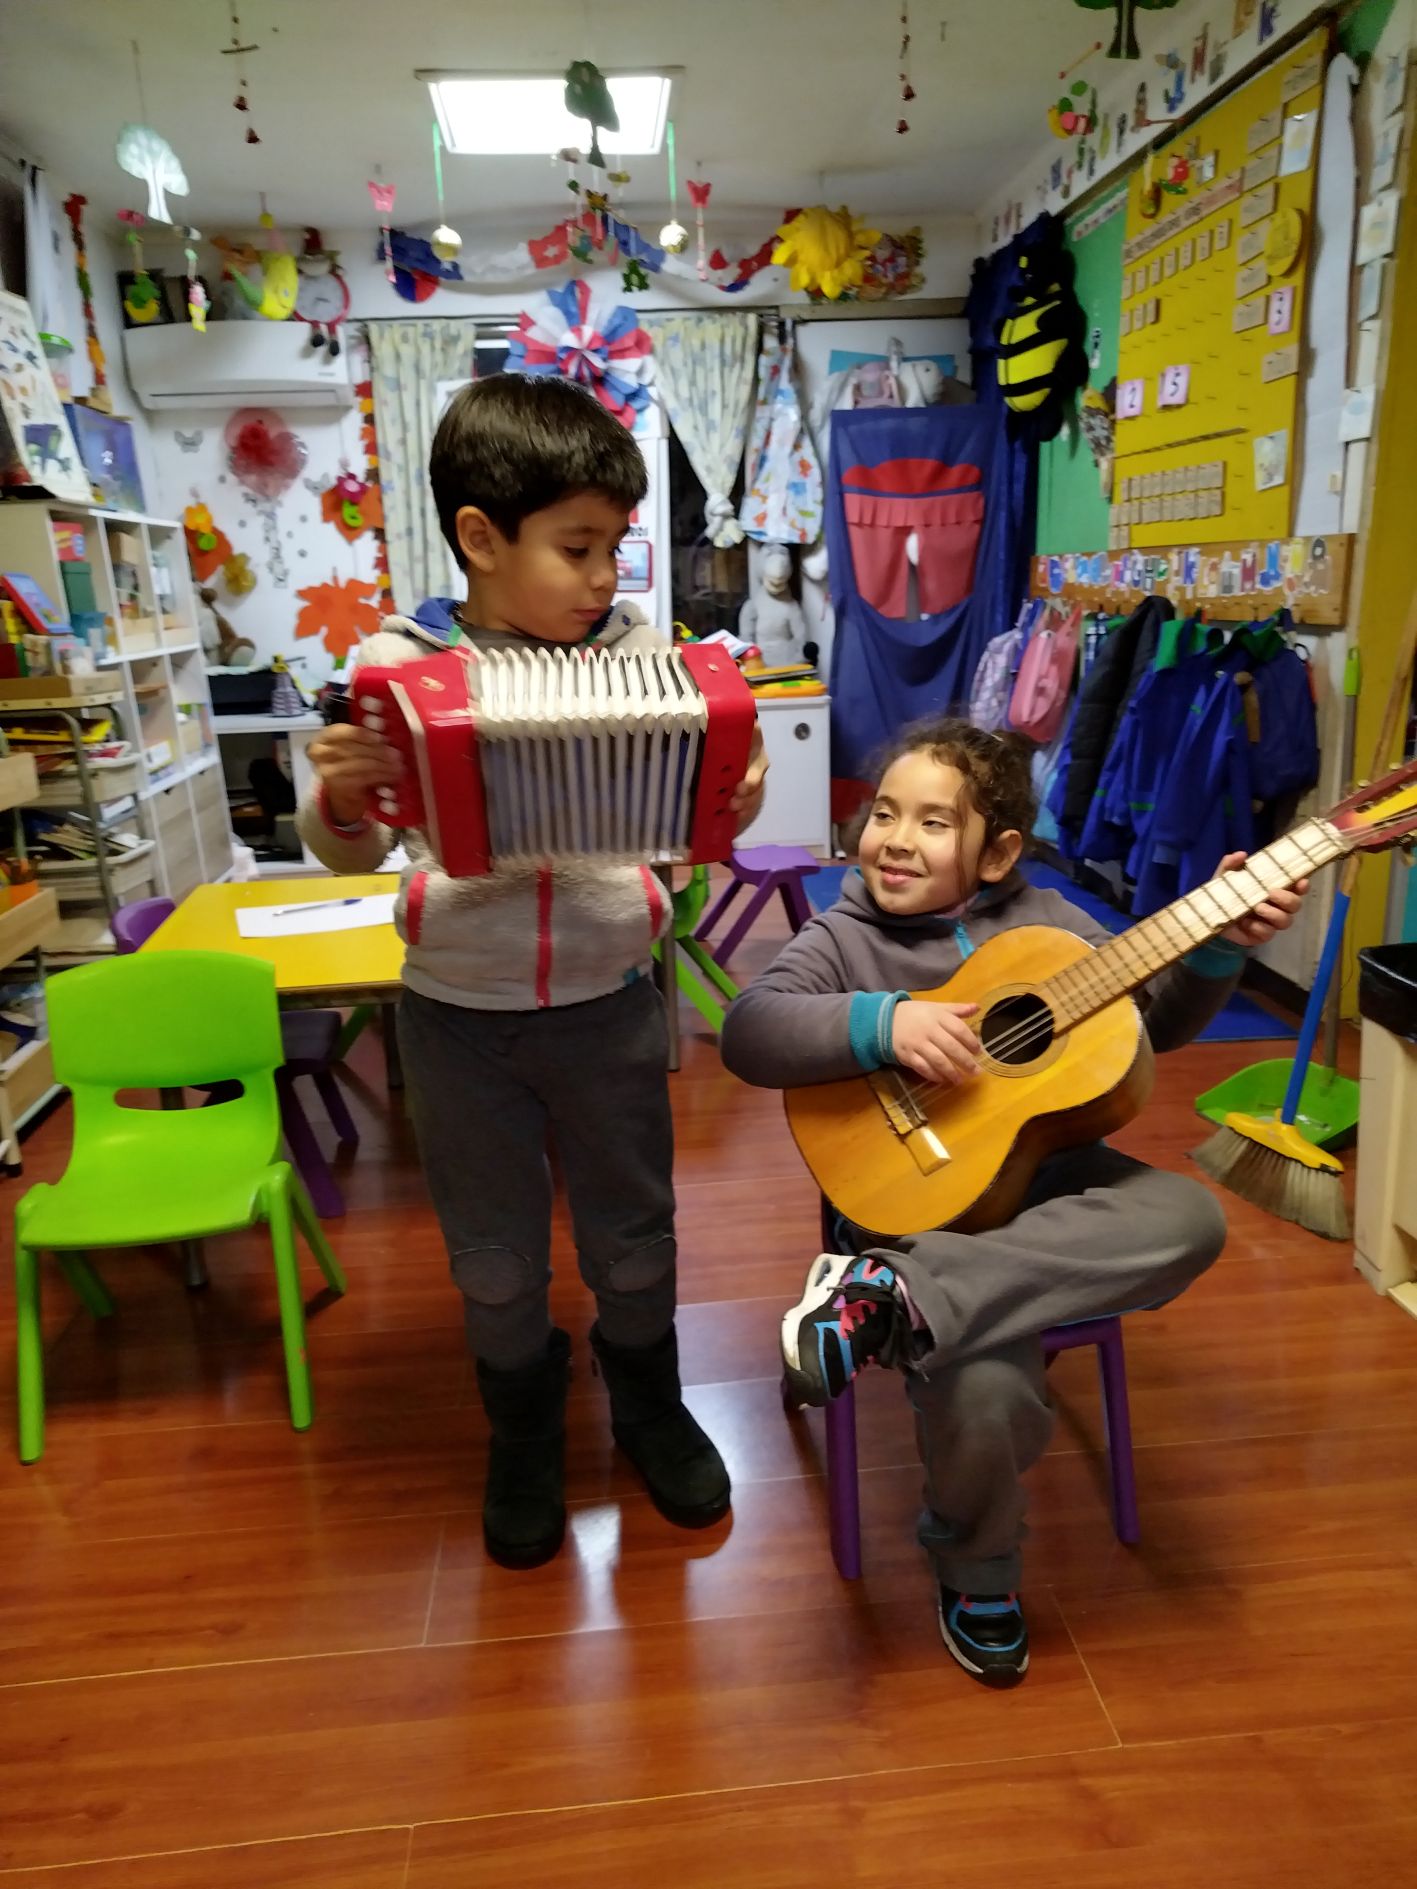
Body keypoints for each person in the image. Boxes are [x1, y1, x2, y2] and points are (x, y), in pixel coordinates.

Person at [719, 716, 1305, 1688]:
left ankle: (895, 1299)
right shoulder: (840, 934)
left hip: (1042, 1195)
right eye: (884, 813)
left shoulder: (1050, 926)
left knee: (1191, 1216)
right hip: (907, 1204)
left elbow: (1150, 1026)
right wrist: (883, 1021)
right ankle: (978, 1568)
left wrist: (1214, 950)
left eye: (932, 822)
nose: (894, 838)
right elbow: (751, 1030)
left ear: (996, 853)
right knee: (986, 1382)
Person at [297, 374, 768, 1571]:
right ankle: (520, 1420)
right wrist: (342, 796)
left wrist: (735, 793)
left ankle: (648, 1401)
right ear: (480, 537)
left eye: (615, 544)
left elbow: (687, 820)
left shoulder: (642, 654)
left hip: (612, 1002)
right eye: (578, 546)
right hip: (460, 1019)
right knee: (495, 1257)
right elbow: (343, 841)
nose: (607, 576)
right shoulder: (397, 663)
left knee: (636, 1238)